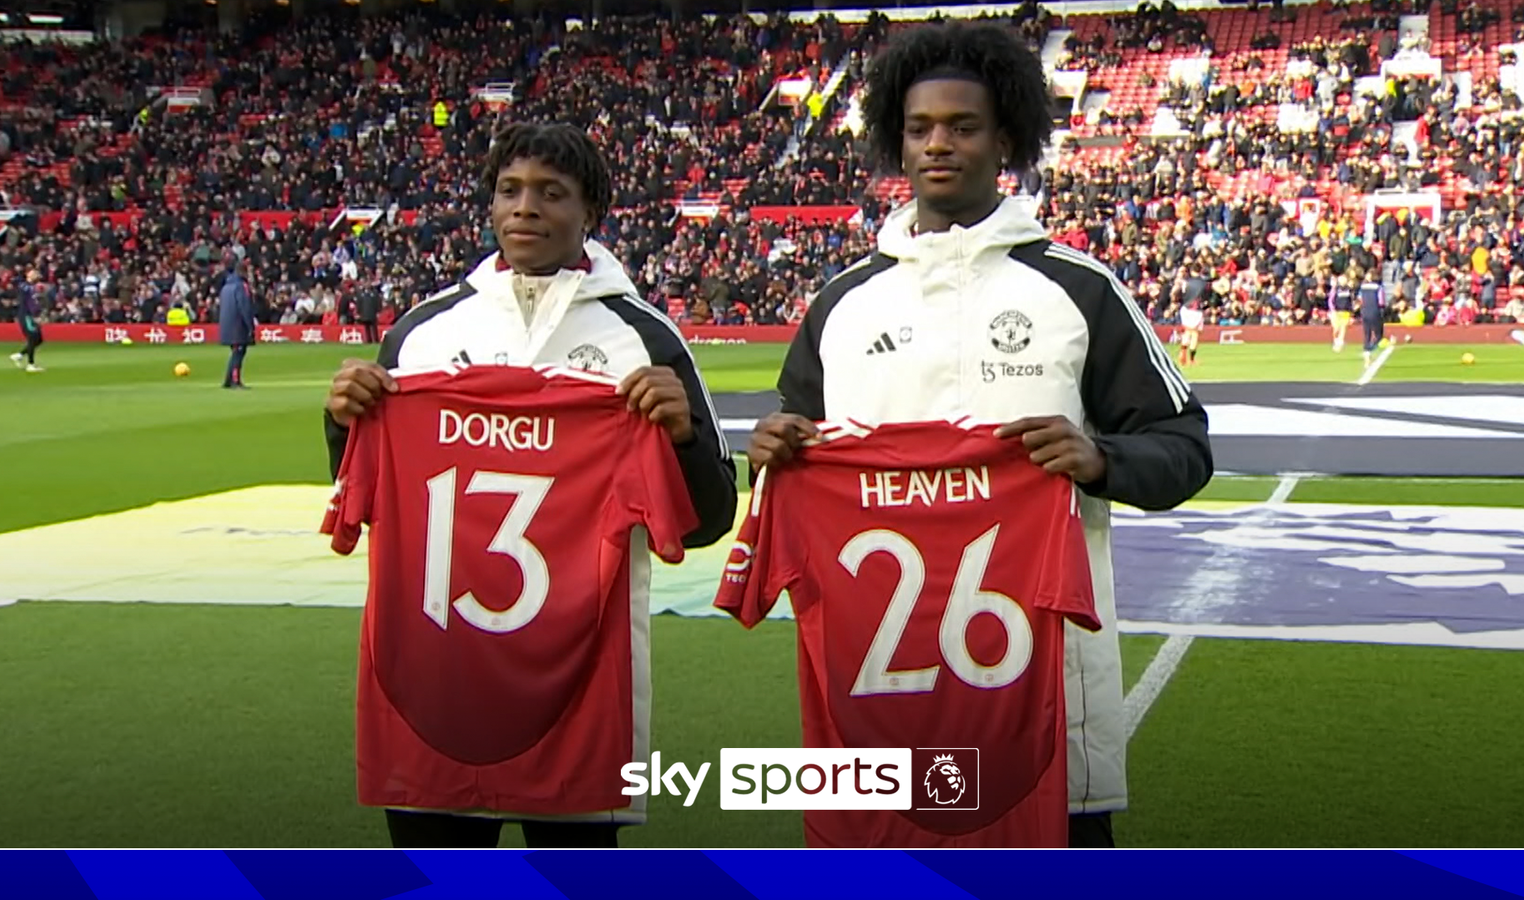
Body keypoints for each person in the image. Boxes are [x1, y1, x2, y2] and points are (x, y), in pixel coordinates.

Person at [745, 21, 1213, 848]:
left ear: (1006, 139)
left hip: (1046, 696)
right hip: (875, 696)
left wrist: (1102, 460)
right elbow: (792, 445)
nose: (939, 145)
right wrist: (772, 448)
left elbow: (1185, 445)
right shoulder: (843, 303)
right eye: (920, 128)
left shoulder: (1077, 288)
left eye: (963, 127)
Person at [321, 122, 738, 849]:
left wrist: (681, 437)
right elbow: (375, 489)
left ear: (590, 214)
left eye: (552, 193)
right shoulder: (422, 334)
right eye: (510, 191)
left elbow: (710, 518)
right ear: (488, 206)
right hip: (438, 678)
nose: (526, 208)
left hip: (577, 686)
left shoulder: (641, 337)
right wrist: (345, 421)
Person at [218, 258, 255, 389]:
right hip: (238, 325)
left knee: (235, 352)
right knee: (239, 353)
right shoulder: (241, 286)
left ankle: (228, 380)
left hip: (227, 324)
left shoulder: (226, 286)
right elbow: (244, 306)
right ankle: (235, 380)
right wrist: (250, 326)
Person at [9, 269, 45, 373]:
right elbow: (30, 302)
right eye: (34, 274)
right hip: (26, 315)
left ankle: (20, 355)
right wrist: (35, 315)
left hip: (29, 315)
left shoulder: (30, 287)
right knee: (32, 337)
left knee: (39, 339)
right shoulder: (26, 287)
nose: (37, 276)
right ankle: (30, 364)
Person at [1357, 269, 1387, 366]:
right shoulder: (1378, 287)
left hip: (1365, 311)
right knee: (1378, 335)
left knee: (1367, 334)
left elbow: (1360, 299)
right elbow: (1381, 302)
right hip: (1375, 311)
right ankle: (1371, 348)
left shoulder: (1362, 287)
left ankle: (1366, 352)